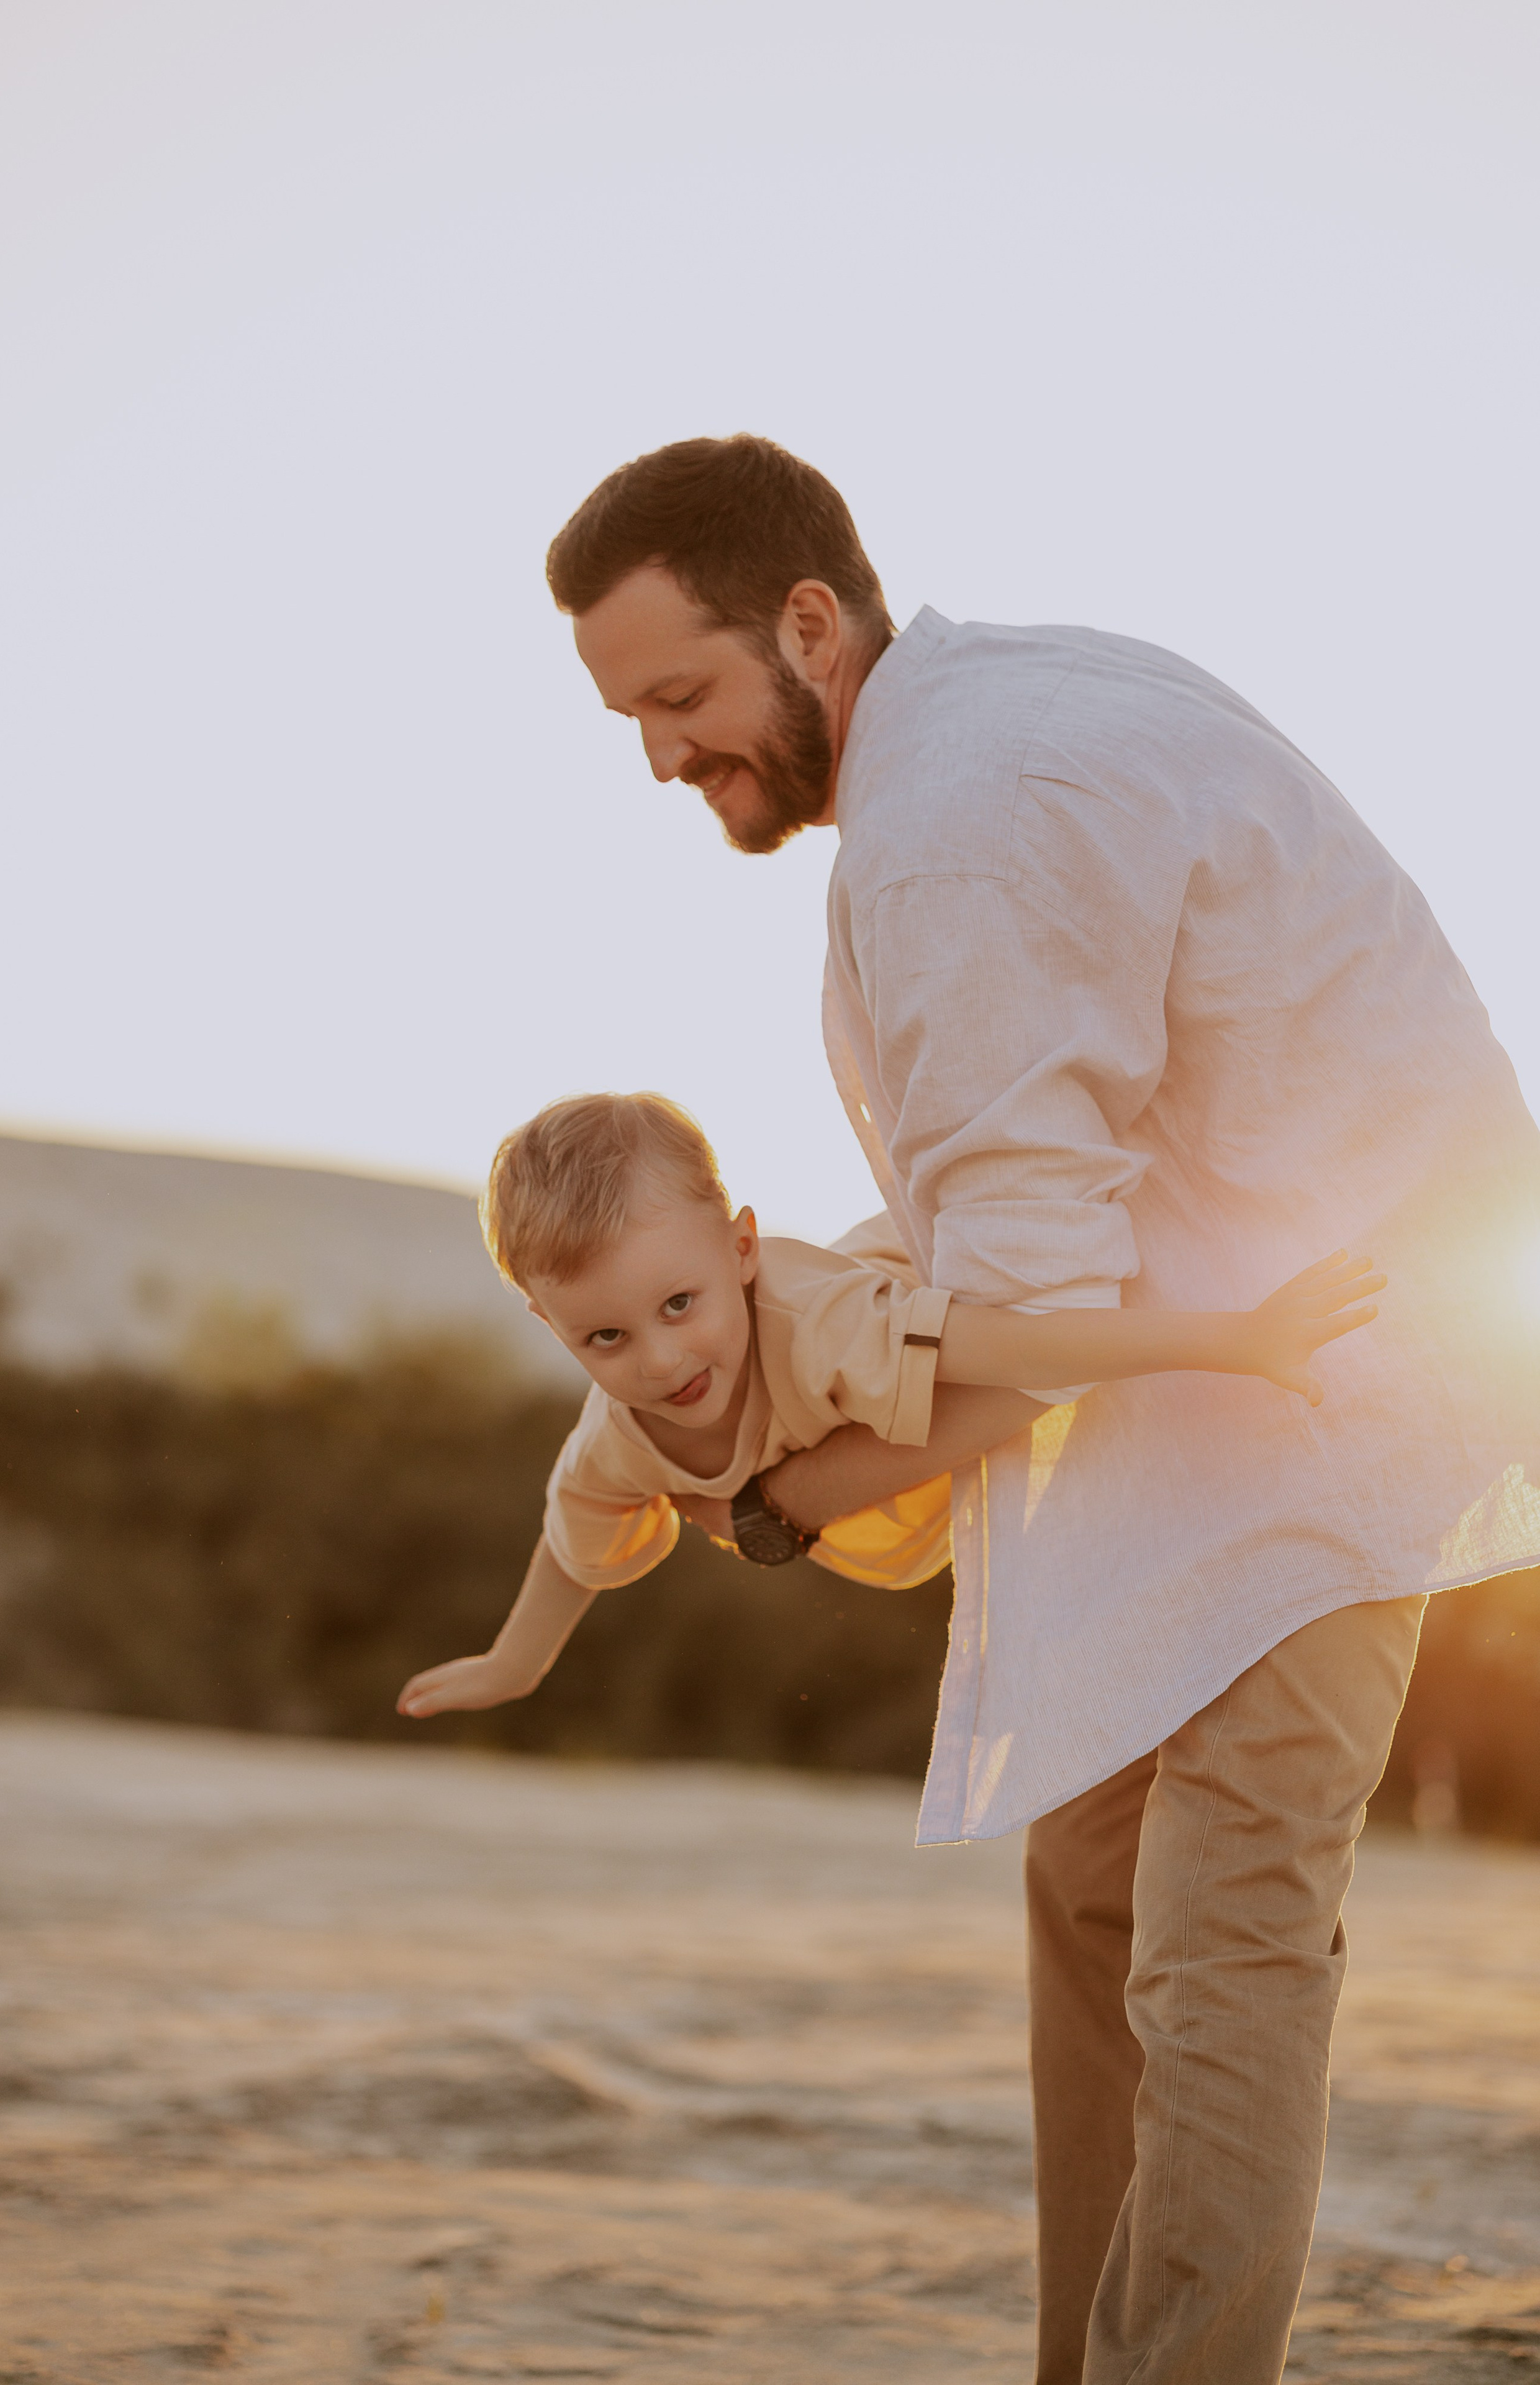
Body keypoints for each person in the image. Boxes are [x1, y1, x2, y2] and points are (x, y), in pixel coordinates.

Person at [538, 435, 1540, 2385]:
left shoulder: (963, 820)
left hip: (1326, 1398)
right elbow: (1017, 1226)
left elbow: (1031, 1313)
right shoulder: (1000, 716)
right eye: (629, 718)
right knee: (1089, 1888)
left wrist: (788, 1495)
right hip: (1199, 1410)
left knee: (1223, 1941)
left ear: (808, 623)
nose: (660, 756)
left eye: (680, 695)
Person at [397, 1091, 1380, 1724]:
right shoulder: (616, 1439)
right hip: (911, 1470)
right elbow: (573, 1537)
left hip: (982, 1298)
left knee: (1042, 1361)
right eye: (604, 1338)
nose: (661, 1361)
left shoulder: (826, 1327)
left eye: (680, 1305)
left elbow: (1021, 1345)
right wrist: (512, 1663)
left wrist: (1237, 1339)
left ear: (742, 1248)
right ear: (550, 1324)